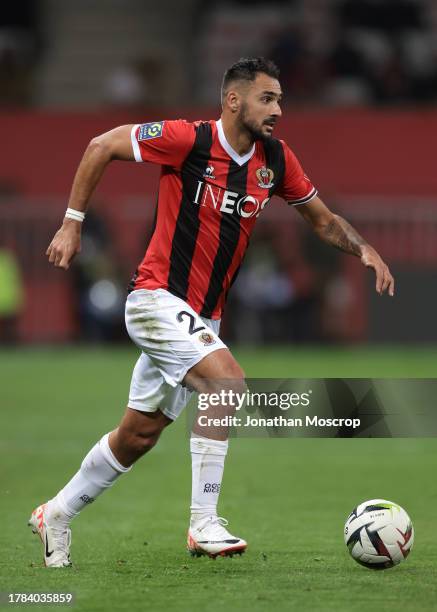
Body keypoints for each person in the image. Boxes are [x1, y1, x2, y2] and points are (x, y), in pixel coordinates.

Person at [29, 57, 394, 567]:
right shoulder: (189, 140)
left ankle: (57, 513)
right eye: (268, 99)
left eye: (281, 99)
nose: (278, 110)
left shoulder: (276, 159)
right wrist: (72, 223)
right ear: (233, 100)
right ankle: (203, 522)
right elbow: (101, 145)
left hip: (204, 317)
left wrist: (364, 250)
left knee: (138, 435)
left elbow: (322, 218)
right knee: (228, 383)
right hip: (157, 299)